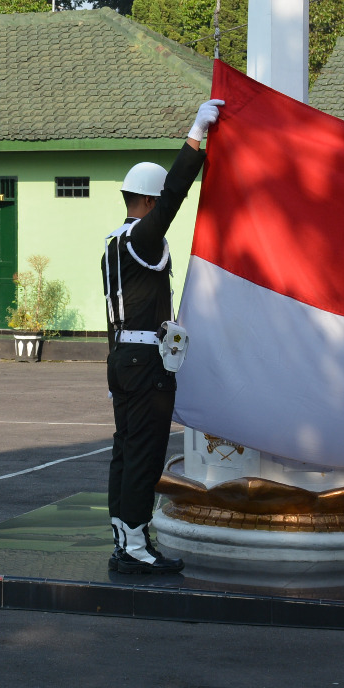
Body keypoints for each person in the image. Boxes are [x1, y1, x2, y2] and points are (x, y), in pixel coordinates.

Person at [101, 97, 223, 575]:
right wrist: (195, 138)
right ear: (148, 203)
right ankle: (135, 545)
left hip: (122, 357)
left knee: (125, 451)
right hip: (145, 362)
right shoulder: (141, 239)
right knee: (145, 456)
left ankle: (123, 537)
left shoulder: (114, 241)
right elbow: (175, 194)